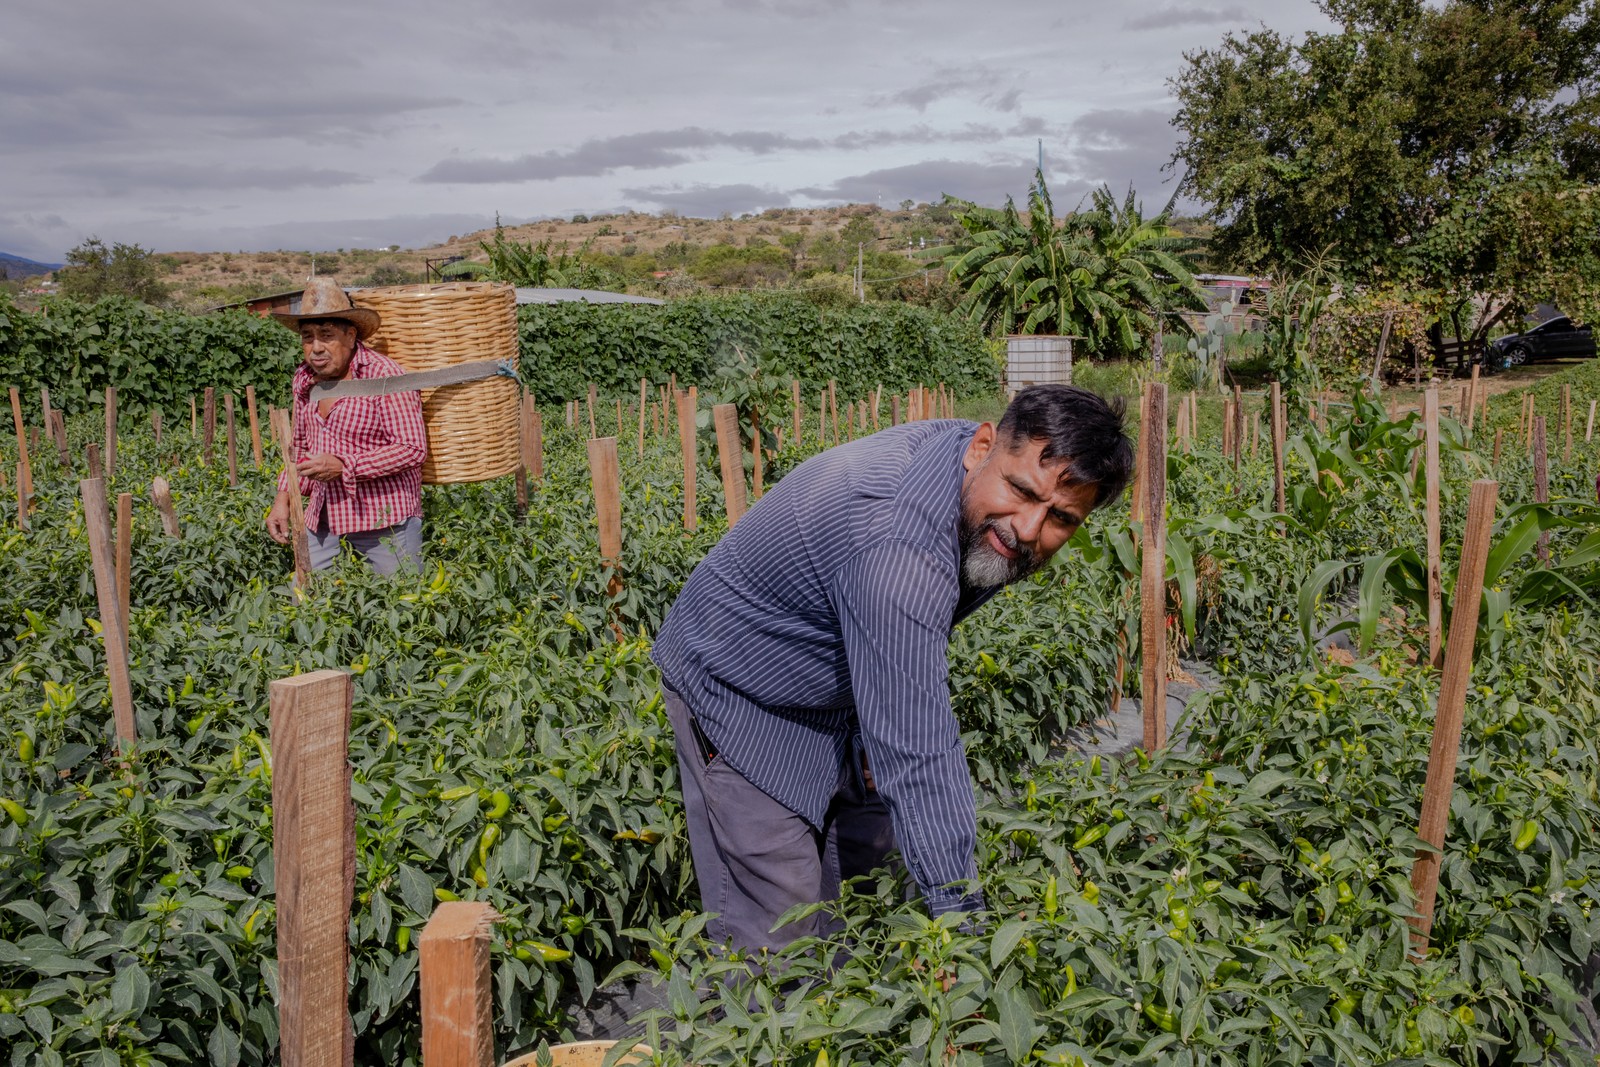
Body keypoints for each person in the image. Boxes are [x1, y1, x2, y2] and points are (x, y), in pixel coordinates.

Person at [651, 384, 1133, 952]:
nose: (1027, 529)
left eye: (1061, 518)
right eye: (1021, 491)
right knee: (780, 935)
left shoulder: (972, 488)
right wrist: (964, 926)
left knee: (868, 888)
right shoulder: (895, 544)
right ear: (981, 447)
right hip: (740, 688)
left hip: (831, 692)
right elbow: (916, 742)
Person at [265, 277, 427, 574]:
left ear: (351, 336)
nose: (316, 348)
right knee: (307, 603)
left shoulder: (384, 375)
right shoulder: (303, 379)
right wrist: (282, 498)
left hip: (382, 517)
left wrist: (344, 465)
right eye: (307, 336)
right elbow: (299, 447)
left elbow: (411, 449)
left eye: (326, 335)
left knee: (401, 606)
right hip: (323, 513)